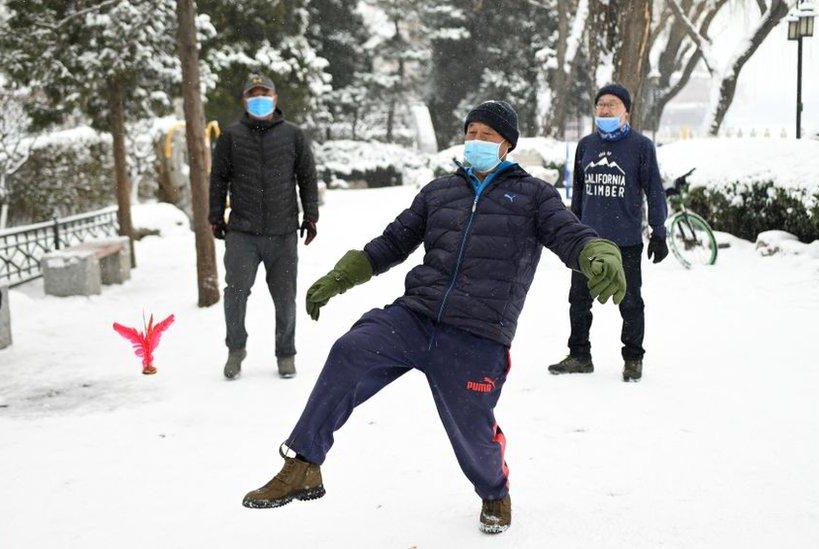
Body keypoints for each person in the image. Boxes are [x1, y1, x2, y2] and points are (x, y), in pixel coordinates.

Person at [240, 101, 627, 534]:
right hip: (416, 316)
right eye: (471, 132)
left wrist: (596, 250)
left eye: (487, 135)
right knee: (351, 350)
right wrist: (341, 276)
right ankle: (304, 464)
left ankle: (494, 491)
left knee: (473, 432)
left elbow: (567, 232)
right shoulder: (440, 191)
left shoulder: (534, 196)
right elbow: (393, 241)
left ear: (507, 144)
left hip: (478, 333)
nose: (476, 141)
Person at [548, 83, 668, 382]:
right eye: (600, 105)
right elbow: (579, 192)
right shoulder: (586, 146)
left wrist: (659, 230)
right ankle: (579, 355)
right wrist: (569, 230)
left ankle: (633, 358)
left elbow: (654, 191)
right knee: (578, 300)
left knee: (630, 302)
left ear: (626, 111)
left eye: (611, 105)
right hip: (587, 241)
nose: (604, 110)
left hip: (625, 240)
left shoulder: (641, 147)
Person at [208, 72, 320, 380]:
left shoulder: (294, 135)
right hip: (242, 232)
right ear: (245, 100)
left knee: (285, 297)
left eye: (264, 93)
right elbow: (218, 179)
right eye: (253, 94)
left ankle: (286, 353)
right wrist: (215, 216)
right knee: (235, 294)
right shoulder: (230, 137)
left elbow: (307, 178)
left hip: (283, 232)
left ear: (275, 98)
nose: (259, 98)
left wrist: (311, 217)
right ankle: (236, 349)